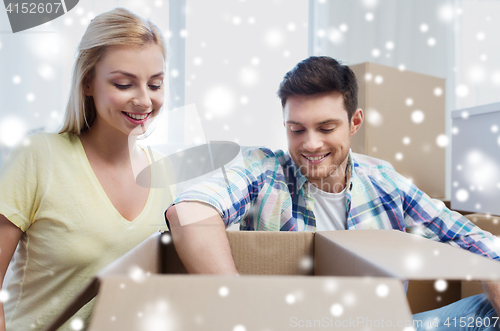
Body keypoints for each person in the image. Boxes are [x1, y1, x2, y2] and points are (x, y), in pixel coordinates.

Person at [166, 56, 500, 330]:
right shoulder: (264, 170)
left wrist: (491, 272)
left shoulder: (383, 180)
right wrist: (238, 306)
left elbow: (474, 240)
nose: (311, 144)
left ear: (354, 123)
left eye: (326, 128)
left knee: (488, 310)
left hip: (381, 326)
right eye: (296, 130)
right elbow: (189, 211)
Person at [0, 8, 172, 331]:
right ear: (88, 82)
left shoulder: (165, 174)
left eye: (155, 84)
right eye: (124, 84)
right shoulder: (39, 157)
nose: (144, 101)